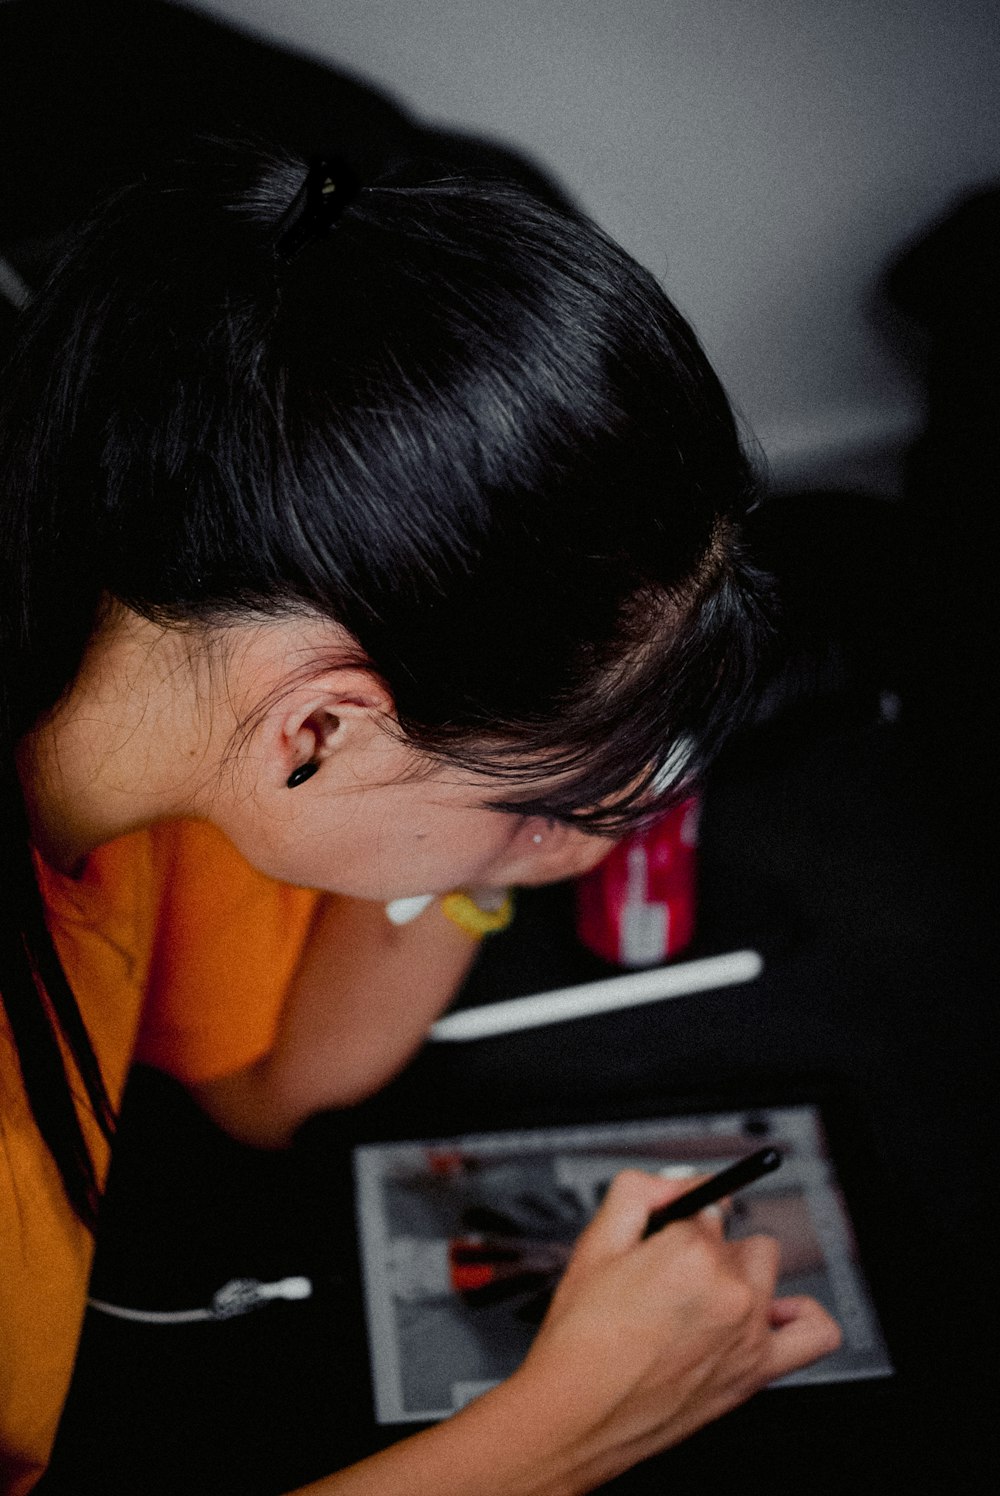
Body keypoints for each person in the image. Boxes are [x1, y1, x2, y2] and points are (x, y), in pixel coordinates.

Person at [0, 142, 841, 1495]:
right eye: (537, 803)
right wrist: (552, 1441)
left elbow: (273, 1084)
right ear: (320, 728)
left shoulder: (150, 660)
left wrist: (494, 847)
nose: (570, 844)